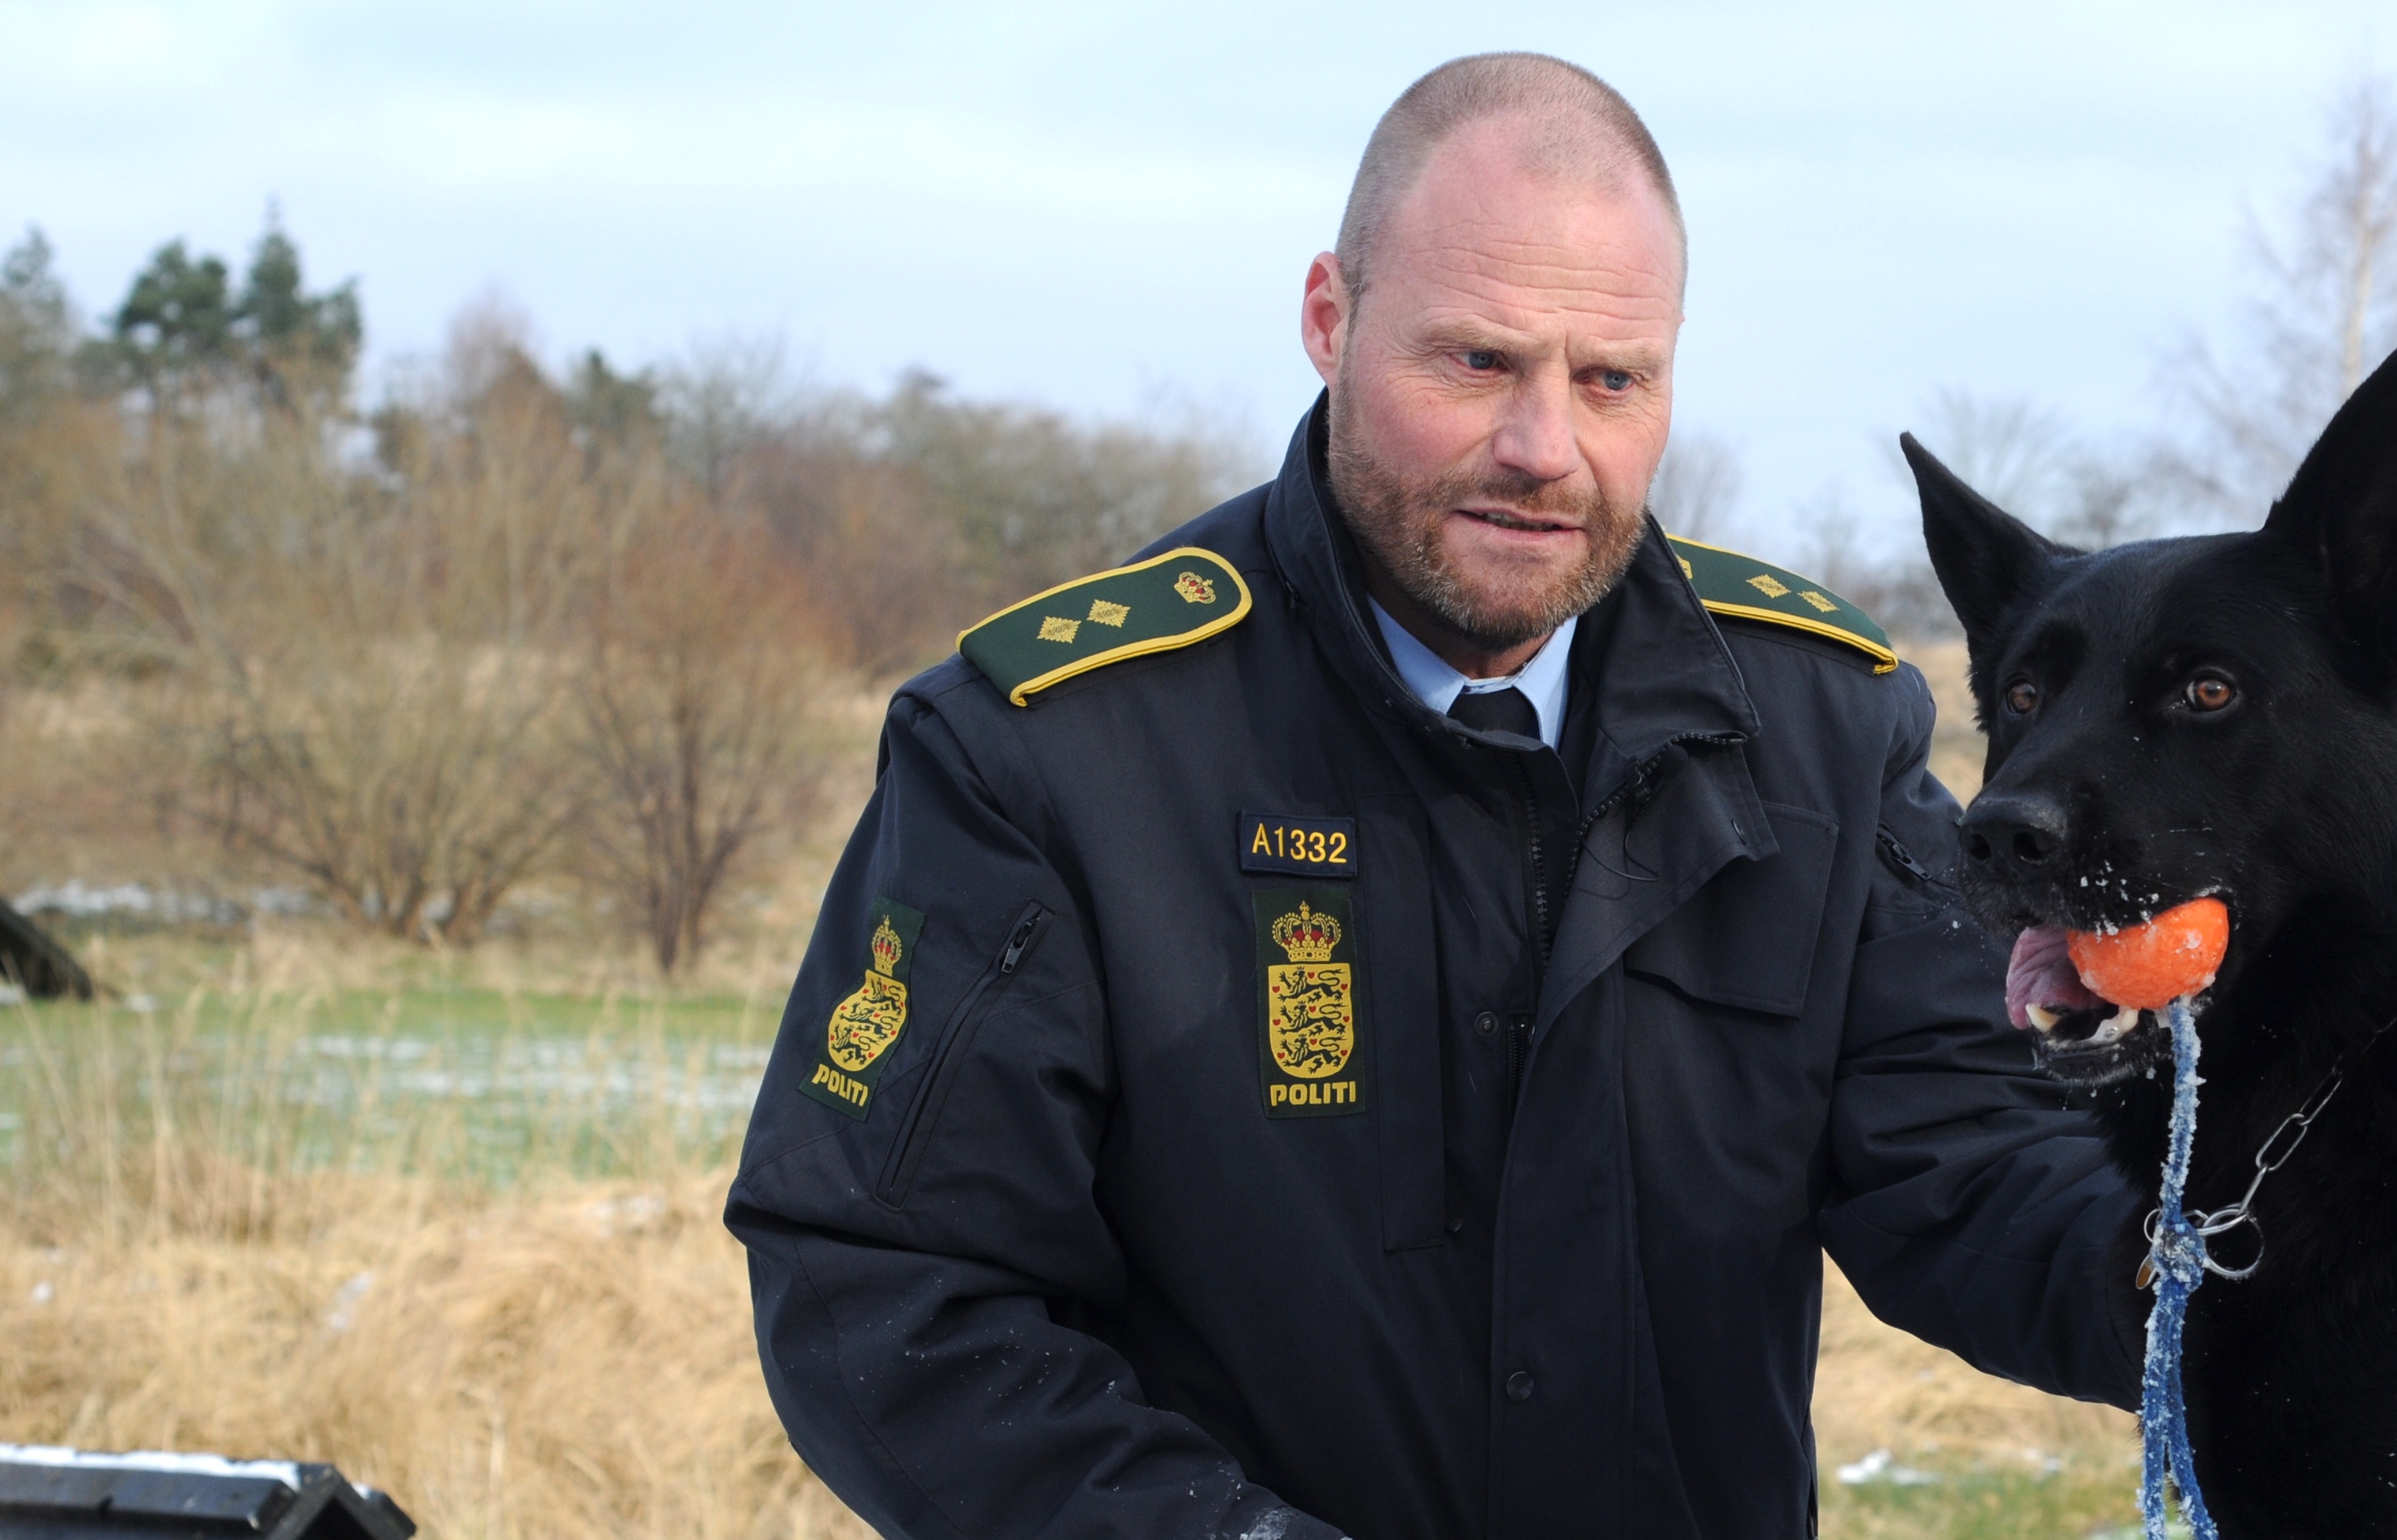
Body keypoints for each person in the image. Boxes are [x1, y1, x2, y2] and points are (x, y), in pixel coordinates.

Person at [726, 52, 2140, 1540]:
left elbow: (1977, 1169)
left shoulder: (1815, 728)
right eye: (1477, 362)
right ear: (1331, 320)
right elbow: (884, 1285)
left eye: (1612, 380)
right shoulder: (1057, 751)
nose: (1546, 451)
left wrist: (2231, 1270)